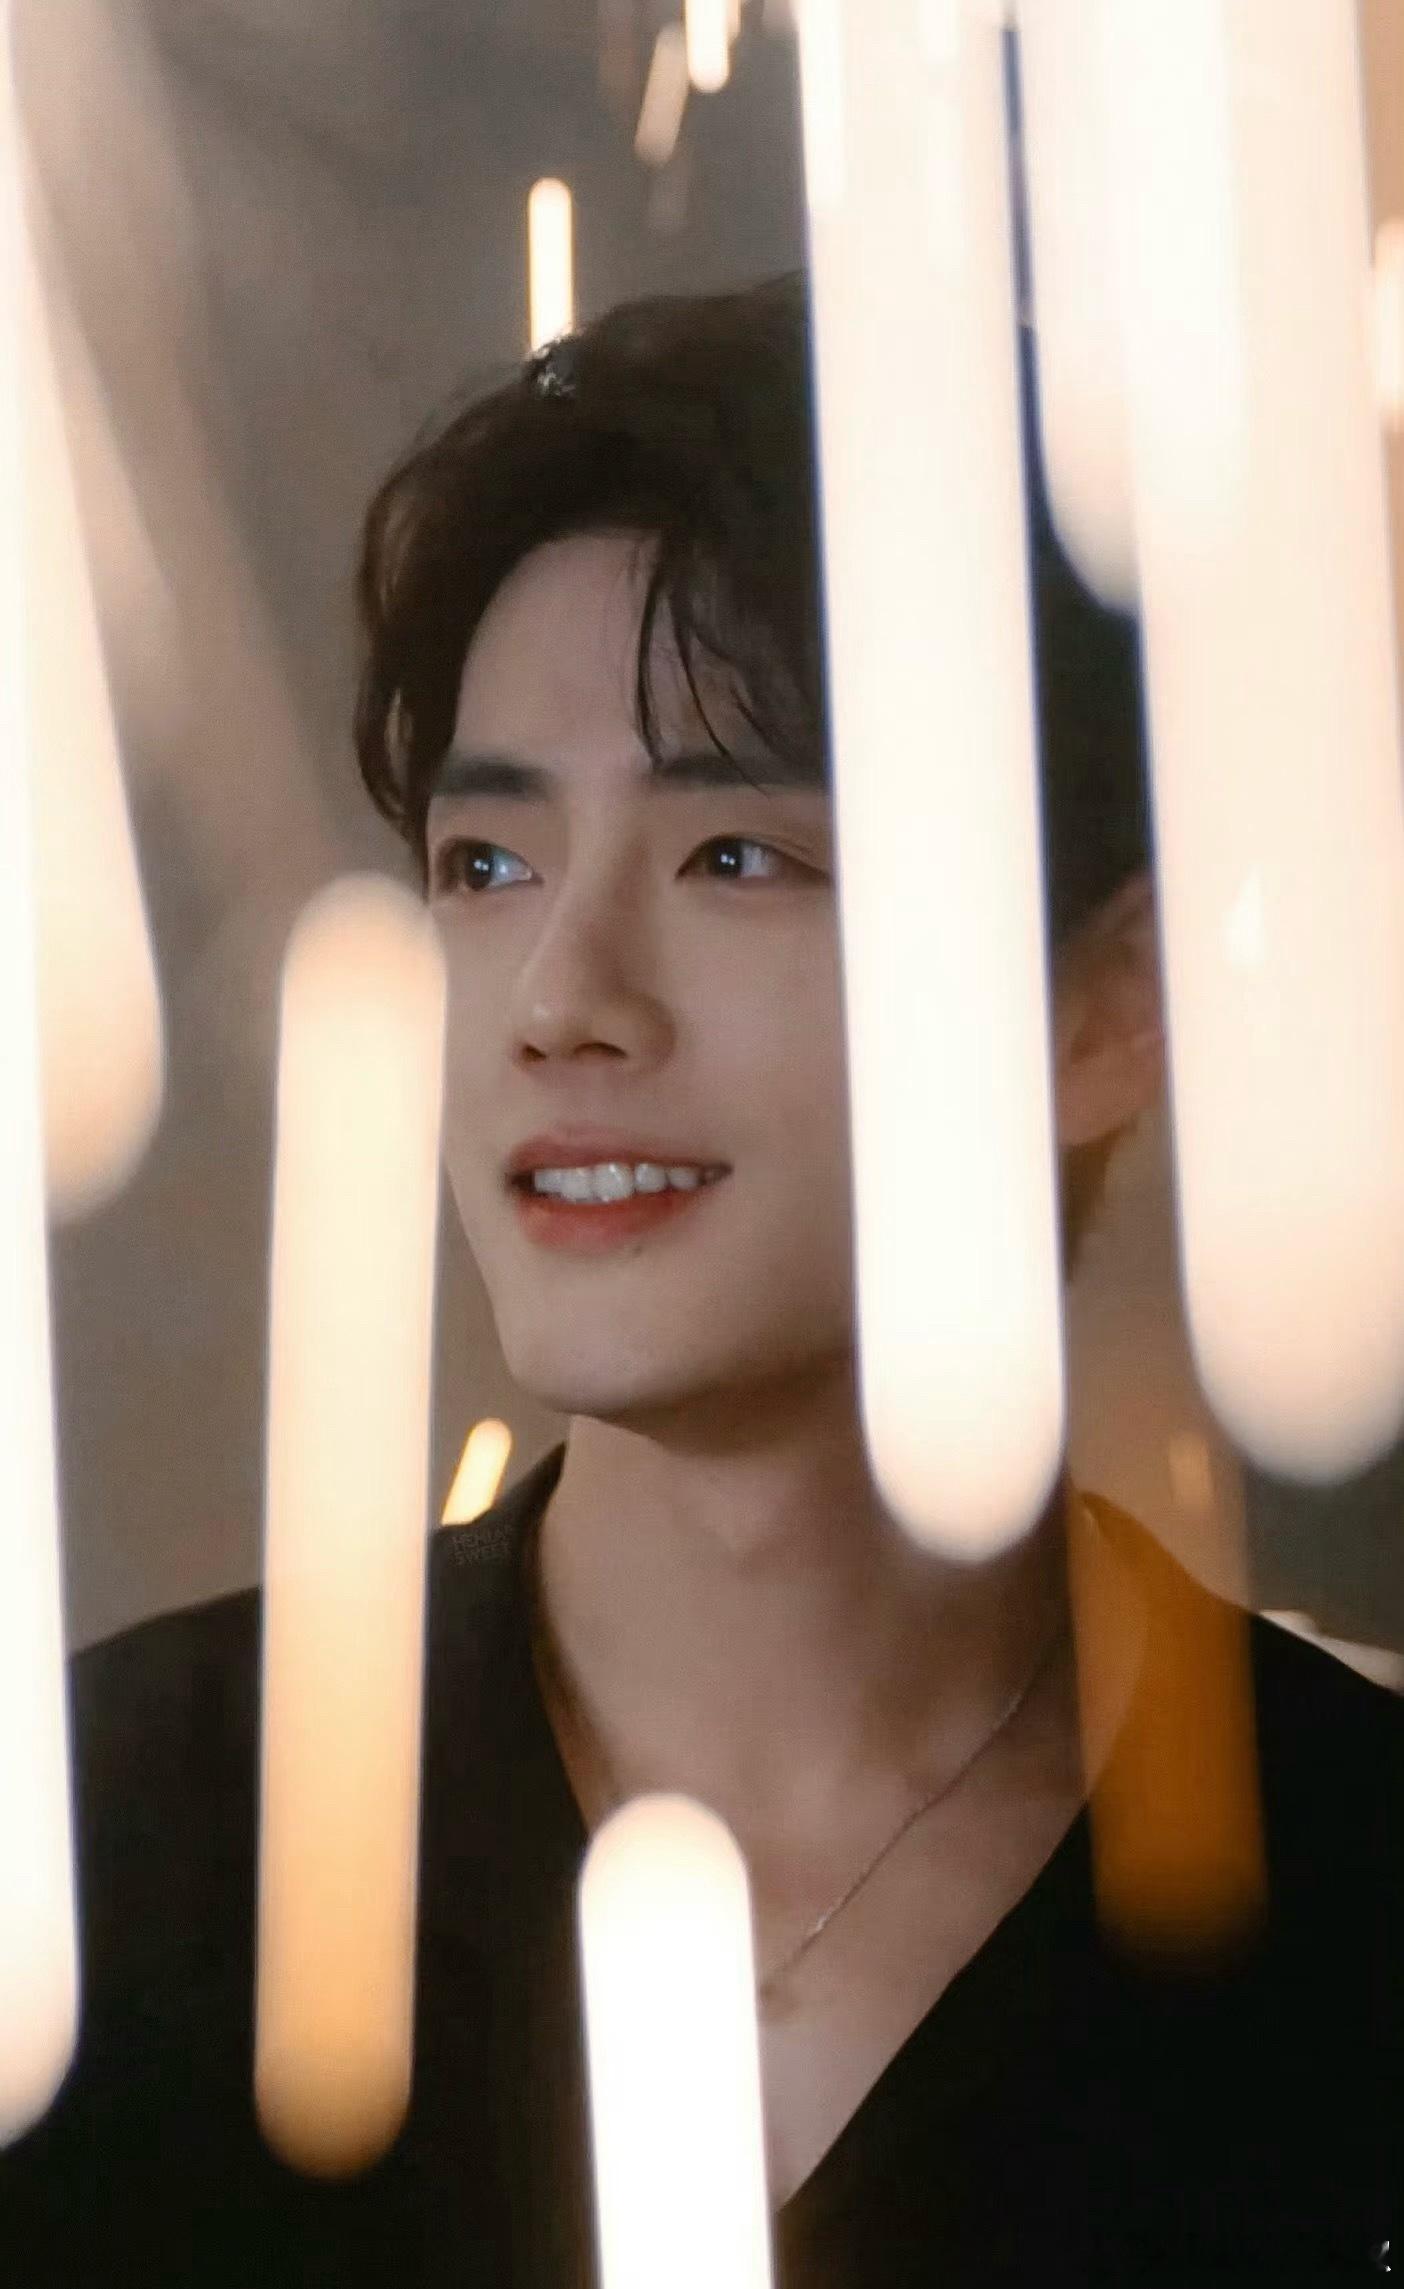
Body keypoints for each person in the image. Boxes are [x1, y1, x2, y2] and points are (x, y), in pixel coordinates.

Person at [3, 274, 1400, 2285]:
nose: (559, 996)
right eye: (488, 867)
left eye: (737, 855)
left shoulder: (1348, 1911)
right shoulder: (93, 1866)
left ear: (1109, 1004)